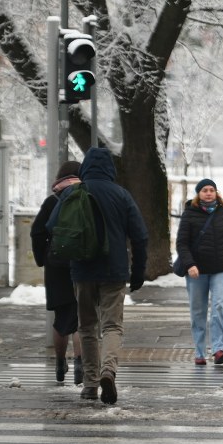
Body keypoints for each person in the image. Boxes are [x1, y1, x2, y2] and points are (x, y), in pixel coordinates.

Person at [64, 147, 149, 405]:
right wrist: (138, 272)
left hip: (82, 271)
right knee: (112, 326)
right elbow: (140, 236)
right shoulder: (121, 195)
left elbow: (52, 228)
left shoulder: (73, 192)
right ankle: (108, 371)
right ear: (110, 169)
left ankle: (90, 384)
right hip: (114, 271)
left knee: (87, 327)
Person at [175, 178, 223, 366]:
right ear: (198, 194)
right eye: (205, 190)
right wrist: (190, 265)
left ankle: (220, 349)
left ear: (216, 193)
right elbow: (182, 243)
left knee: (219, 306)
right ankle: (200, 351)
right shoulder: (189, 214)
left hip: (220, 268)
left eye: (212, 189)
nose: (209, 193)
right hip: (196, 271)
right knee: (198, 311)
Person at [30, 160, 84, 385]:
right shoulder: (86, 198)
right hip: (81, 264)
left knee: (61, 318)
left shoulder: (52, 201)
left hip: (56, 266)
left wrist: (43, 259)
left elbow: (36, 232)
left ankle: (60, 363)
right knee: (81, 318)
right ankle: (81, 363)